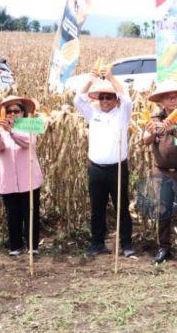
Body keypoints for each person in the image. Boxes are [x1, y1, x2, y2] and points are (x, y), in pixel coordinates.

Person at [75, 64, 135, 257]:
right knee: (97, 208)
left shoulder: (122, 114)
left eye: (109, 97)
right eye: (102, 97)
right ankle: (97, 243)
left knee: (122, 207)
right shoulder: (93, 114)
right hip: (96, 169)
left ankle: (126, 244)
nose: (106, 101)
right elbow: (78, 98)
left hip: (118, 168)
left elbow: (125, 96)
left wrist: (110, 77)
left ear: (115, 100)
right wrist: (92, 78)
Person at [142, 80, 177, 265]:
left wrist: (173, 130)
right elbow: (146, 141)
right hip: (161, 171)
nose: (173, 101)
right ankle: (164, 248)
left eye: (175, 97)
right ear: (162, 101)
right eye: (168, 97)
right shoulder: (155, 118)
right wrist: (151, 132)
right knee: (163, 210)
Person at [0, 95, 43, 256]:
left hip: (29, 179)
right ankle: (15, 246)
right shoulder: (0, 130)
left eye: (16, 111)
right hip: (8, 181)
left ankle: (32, 247)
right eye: (9, 111)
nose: (12, 114)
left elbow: (28, 143)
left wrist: (11, 131)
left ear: (23, 113)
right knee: (12, 214)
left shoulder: (30, 126)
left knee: (31, 213)